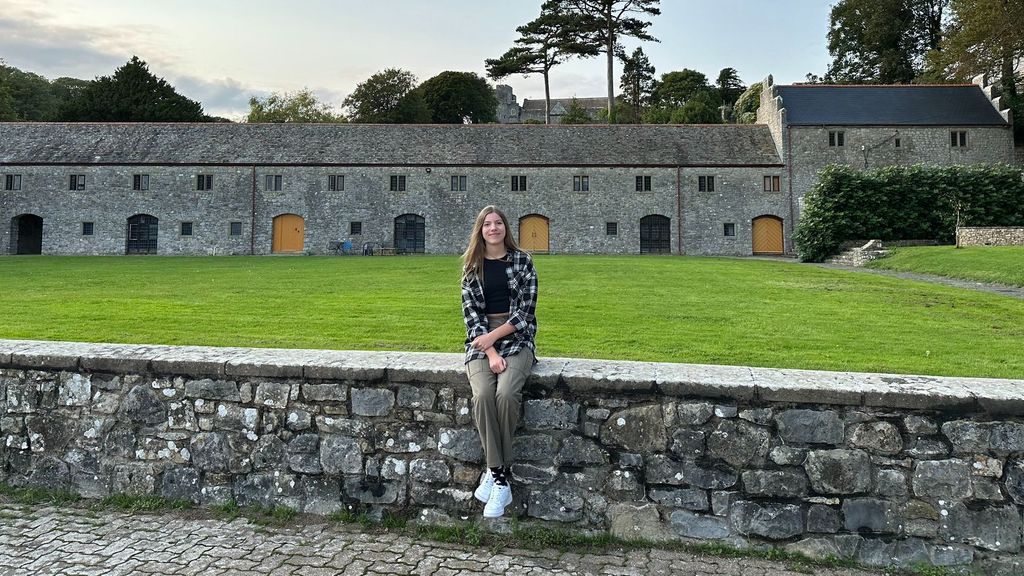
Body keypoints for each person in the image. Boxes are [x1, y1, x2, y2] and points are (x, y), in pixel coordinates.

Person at [460, 205, 538, 519]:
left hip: (518, 338)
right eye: (487, 224)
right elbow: (472, 318)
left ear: (506, 228)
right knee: (482, 396)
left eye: (498, 223)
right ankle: (500, 476)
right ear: (480, 231)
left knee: (506, 394)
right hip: (481, 342)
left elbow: (525, 312)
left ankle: (495, 476)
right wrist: (490, 350)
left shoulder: (523, 261)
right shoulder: (471, 266)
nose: (493, 228)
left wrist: (496, 339)